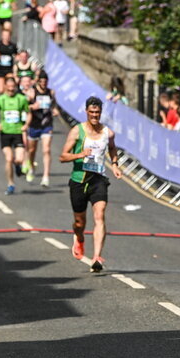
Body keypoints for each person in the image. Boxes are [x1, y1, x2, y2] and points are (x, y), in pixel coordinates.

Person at [59, 96, 123, 272]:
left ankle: (97, 257)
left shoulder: (107, 133)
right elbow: (62, 156)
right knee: (79, 223)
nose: (95, 115)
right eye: (92, 112)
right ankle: (79, 238)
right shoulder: (76, 131)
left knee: (99, 215)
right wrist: (79, 155)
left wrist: (115, 165)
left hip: (98, 179)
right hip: (79, 180)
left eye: (97, 112)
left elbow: (111, 148)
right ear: (86, 111)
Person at [0, 77, 30, 195]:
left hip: (18, 132)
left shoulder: (21, 99)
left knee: (19, 159)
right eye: (9, 87)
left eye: (13, 88)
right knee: (8, 158)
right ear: (5, 87)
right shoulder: (0, 100)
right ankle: (10, 184)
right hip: (5, 133)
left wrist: (26, 125)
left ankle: (17, 166)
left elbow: (29, 114)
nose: (11, 90)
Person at [26, 71, 59, 187]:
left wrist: (55, 110)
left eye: (46, 82)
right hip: (34, 124)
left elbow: (54, 105)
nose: (44, 84)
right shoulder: (31, 92)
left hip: (47, 124)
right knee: (31, 151)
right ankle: (31, 167)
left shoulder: (51, 92)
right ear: (38, 81)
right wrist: (32, 106)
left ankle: (46, 177)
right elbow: (24, 107)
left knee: (46, 150)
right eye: (42, 81)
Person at [0, 27, 18, 94]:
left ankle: (7, 101)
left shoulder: (13, 45)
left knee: (9, 87)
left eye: (7, 35)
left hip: (9, 69)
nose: (6, 37)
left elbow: (17, 54)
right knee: (0, 90)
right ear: (2, 36)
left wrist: (17, 58)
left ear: (10, 36)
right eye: (4, 35)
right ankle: (2, 100)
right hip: (0, 69)